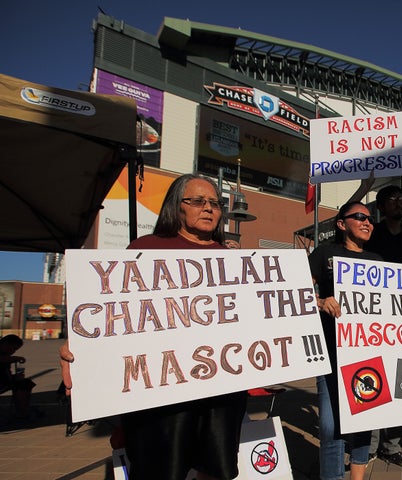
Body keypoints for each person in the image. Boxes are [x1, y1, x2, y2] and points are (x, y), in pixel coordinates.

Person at [60, 174, 247, 480]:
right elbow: (113, 315)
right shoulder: (145, 249)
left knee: (217, 469)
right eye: (197, 201)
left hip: (221, 395)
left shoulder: (231, 258)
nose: (209, 208)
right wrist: (79, 346)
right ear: (177, 206)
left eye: (215, 203)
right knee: (161, 470)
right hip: (163, 397)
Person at [308, 201, 380, 480]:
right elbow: (296, 290)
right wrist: (320, 301)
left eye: (370, 219)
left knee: (364, 419)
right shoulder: (325, 253)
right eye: (359, 217)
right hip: (329, 351)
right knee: (329, 425)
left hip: (367, 354)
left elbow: (394, 308)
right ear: (341, 224)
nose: (367, 222)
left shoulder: (378, 260)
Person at [355, 183, 402, 468]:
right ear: (380, 207)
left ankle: (392, 446)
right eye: (393, 199)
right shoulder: (371, 236)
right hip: (374, 321)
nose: (399, 203)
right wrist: (362, 190)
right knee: (372, 377)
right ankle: (367, 447)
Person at [0, 334, 36, 419]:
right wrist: (15, 358)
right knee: (22, 385)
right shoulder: (4, 356)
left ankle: (23, 410)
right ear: (5, 343)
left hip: (4, 381)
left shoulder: (5, 355)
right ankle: (22, 412)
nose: (12, 351)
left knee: (25, 383)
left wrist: (14, 377)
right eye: (13, 348)